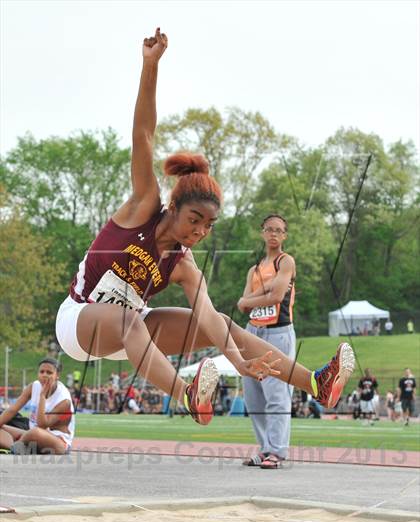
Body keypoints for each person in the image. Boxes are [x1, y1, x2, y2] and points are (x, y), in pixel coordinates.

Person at [55, 28, 355, 428]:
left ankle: (316, 383)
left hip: (132, 332)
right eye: (194, 220)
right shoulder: (142, 208)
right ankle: (187, 395)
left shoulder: (182, 262)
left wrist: (236, 360)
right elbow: (143, 136)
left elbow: (210, 319)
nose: (199, 232)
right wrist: (150, 66)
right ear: (173, 207)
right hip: (80, 322)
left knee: (225, 325)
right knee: (127, 319)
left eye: (208, 226)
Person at [237, 214, 296, 469]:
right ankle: (265, 448)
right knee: (253, 397)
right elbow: (245, 304)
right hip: (252, 332)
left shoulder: (286, 261)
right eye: (269, 229)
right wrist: (252, 299)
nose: (273, 234)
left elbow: (276, 296)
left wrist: (249, 300)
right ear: (262, 233)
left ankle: (277, 451)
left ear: (284, 236)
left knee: (277, 394)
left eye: (278, 230)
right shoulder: (254, 269)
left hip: (278, 332)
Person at [0, 358, 75, 454]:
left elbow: (42, 425)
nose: (44, 375)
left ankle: (19, 445)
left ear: (57, 376)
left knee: (35, 432)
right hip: (30, 435)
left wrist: (42, 396)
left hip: (58, 442)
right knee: (3, 427)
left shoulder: (64, 400)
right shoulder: (33, 386)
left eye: (49, 373)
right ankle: (15, 447)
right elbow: (12, 410)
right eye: (41, 372)